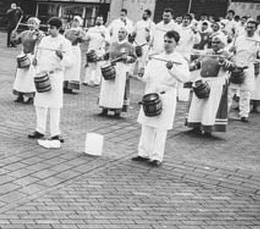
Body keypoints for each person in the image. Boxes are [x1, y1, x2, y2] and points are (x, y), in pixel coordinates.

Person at [133, 29, 191, 166]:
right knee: (146, 125)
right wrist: (141, 74)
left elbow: (185, 78)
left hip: (166, 95)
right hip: (151, 93)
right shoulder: (156, 57)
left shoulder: (179, 60)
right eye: (165, 41)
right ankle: (143, 153)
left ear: (176, 43)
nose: (166, 44)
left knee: (161, 128)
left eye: (170, 42)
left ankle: (157, 157)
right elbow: (147, 77)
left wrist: (172, 69)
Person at [27, 16, 75, 143]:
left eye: (52, 28)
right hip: (42, 74)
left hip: (55, 76)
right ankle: (40, 130)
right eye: (48, 27)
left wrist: (61, 56)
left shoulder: (65, 43)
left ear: (59, 29)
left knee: (55, 105)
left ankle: (55, 133)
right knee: (40, 104)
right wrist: (35, 61)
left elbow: (70, 62)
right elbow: (39, 55)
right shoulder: (44, 41)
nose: (49, 30)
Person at [184, 32, 231, 136]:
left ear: (223, 43)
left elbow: (234, 67)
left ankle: (208, 128)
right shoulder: (207, 52)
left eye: (217, 42)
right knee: (197, 104)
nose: (214, 44)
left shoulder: (227, 54)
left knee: (210, 106)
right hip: (203, 81)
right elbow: (198, 63)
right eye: (213, 42)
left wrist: (224, 62)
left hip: (216, 83)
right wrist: (190, 66)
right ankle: (195, 126)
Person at [97, 27, 136, 117]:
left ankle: (117, 110)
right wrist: (101, 57)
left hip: (121, 68)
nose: (120, 34)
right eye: (119, 32)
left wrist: (127, 58)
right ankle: (104, 108)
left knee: (118, 89)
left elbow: (134, 58)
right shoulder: (113, 44)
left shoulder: (129, 46)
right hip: (111, 66)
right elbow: (107, 54)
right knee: (107, 87)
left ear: (126, 34)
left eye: (123, 32)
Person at [13, 17, 42, 104]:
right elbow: (16, 42)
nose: (31, 25)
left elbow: (40, 46)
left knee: (30, 78)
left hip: (32, 56)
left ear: (37, 25)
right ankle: (20, 95)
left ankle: (31, 97)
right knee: (20, 76)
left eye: (34, 23)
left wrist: (37, 58)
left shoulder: (40, 34)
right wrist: (13, 36)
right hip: (23, 55)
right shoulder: (24, 33)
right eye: (30, 23)